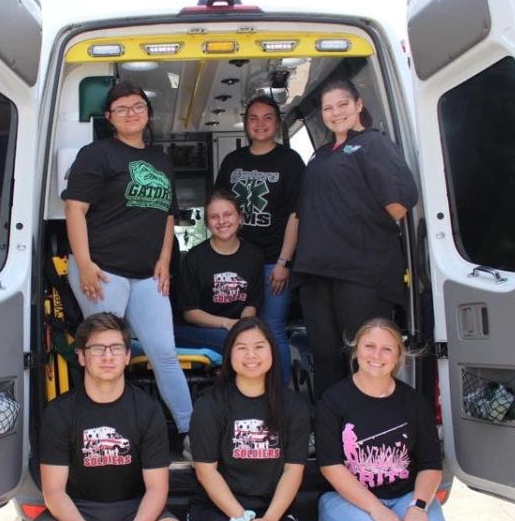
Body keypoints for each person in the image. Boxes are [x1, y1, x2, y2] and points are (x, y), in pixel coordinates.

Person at [25, 313, 201, 521]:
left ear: (127, 355)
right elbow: (53, 491)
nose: (108, 356)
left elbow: (157, 489)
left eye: (116, 348)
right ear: (81, 356)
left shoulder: (147, 410)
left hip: (135, 510)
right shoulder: (59, 413)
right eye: (97, 348)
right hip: (77, 511)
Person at [63, 80, 193, 454]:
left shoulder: (161, 160)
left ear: (148, 113)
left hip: (148, 276)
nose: (131, 114)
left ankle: (191, 432)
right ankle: (101, 434)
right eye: (122, 109)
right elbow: (75, 210)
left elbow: (168, 218)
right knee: (108, 353)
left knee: (163, 352)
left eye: (137, 107)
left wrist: (165, 262)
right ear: (110, 118)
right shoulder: (97, 154)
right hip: (103, 270)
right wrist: (85, 264)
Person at [315, 318, 469, 521]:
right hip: (346, 500)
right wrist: (375, 509)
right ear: (355, 351)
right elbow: (331, 467)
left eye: (387, 349)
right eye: (369, 346)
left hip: (405, 497)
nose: (376, 355)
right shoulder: (333, 400)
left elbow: (430, 465)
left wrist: (418, 507)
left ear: (398, 356)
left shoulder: (414, 402)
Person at [292, 79, 418, 398]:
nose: (336, 113)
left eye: (343, 105)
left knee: (365, 358)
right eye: (328, 108)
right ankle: (333, 432)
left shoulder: (373, 144)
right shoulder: (319, 156)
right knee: (325, 359)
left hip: (361, 273)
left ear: (359, 105)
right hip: (317, 274)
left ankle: (370, 433)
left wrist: (355, 229)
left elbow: (399, 204)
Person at [187, 317, 311, 521]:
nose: (251, 355)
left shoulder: (292, 406)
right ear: (229, 355)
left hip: (274, 510)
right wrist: (242, 519)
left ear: (272, 351)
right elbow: (206, 472)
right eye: (241, 348)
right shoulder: (211, 404)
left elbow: (293, 470)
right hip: (218, 510)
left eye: (259, 346)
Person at [215, 95, 304, 385]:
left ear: (277, 123)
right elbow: (219, 209)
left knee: (273, 328)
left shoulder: (290, 161)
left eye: (267, 117)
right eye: (253, 118)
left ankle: (282, 396)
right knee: (241, 330)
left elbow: (296, 215)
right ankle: (244, 393)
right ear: (245, 123)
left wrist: (284, 261)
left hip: (272, 263)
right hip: (237, 262)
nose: (260, 124)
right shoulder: (232, 161)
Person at [174, 190, 265, 353]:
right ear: (207, 223)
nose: (222, 221)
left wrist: (243, 326)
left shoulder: (254, 256)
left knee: (261, 341)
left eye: (228, 214)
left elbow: (252, 303)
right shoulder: (195, 258)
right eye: (214, 217)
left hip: (236, 329)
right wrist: (227, 323)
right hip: (197, 330)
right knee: (233, 342)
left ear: (240, 217)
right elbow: (190, 313)